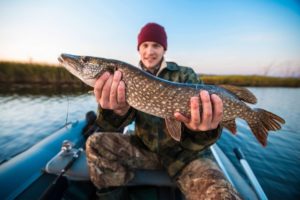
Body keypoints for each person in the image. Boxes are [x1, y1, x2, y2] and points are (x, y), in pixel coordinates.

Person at [86, 22, 241, 200]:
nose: (150, 51)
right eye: (145, 45)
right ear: (138, 49)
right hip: (144, 150)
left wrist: (203, 129)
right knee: (95, 143)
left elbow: (203, 134)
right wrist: (116, 111)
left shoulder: (185, 75)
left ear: (164, 49)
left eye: (156, 45)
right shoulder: (123, 77)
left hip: (186, 155)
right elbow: (109, 125)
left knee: (221, 196)